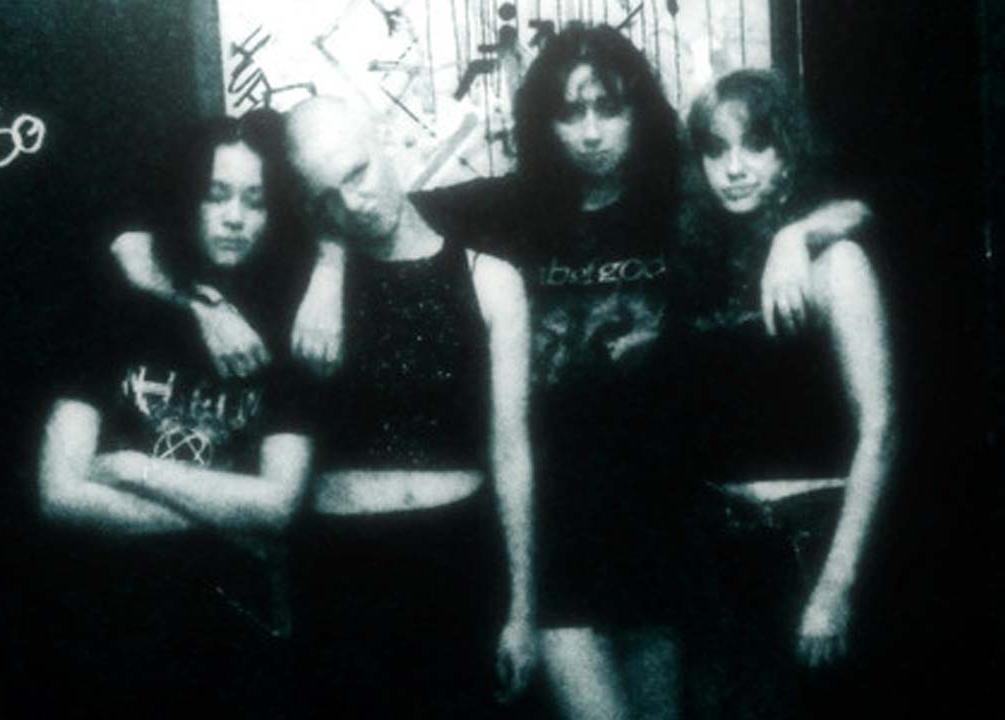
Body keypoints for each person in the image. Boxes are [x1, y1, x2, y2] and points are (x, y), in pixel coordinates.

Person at [107, 24, 869, 720]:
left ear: (638, 109)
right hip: (558, 531)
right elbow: (354, 210)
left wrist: (798, 234)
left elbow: (850, 207)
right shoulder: (508, 207)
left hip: (663, 529)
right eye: (569, 112)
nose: (591, 131)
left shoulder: (681, 202)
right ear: (543, 121)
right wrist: (316, 267)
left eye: (608, 107)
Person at [36, 111, 314, 716]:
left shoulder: (281, 327)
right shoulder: (116, 309)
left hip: (237, 642)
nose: (235, 217)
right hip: (111, 629)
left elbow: (280, 504)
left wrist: (132, 468)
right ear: (187, 198)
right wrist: (231, 518)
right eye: (217, 195)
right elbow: (59, 492)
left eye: (255, 201)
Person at [280, 95, 537, 720]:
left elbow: (511, 452)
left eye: (358, 172)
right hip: (340, 572)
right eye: (326, 196)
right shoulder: (303, 283)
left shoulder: (490, 278)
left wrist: (523, 608)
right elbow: (149, 235)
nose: (353, 203)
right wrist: (326, 261)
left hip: (457, 561)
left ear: (386, 136)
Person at [671, 68, 896, 718]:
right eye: (717, 149)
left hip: (809, 547)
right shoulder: (701, 263)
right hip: (718, 558)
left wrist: (836, 586)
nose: (735, 167)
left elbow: (881, 429)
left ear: (788, 152)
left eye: (755, 144)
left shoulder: (837, 263)